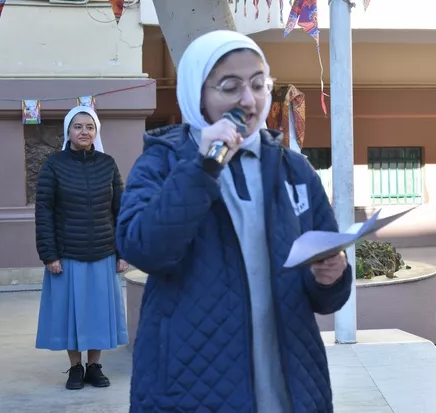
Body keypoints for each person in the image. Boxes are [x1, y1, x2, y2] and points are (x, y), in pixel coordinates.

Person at [116, 31, 352, 413]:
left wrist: (331, 277)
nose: (248, 100)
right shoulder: (164, 161)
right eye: (230, 87)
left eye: (258, 85)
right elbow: (143, 249)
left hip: (290, 382)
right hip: (191, 384)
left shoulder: (294, 169)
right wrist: (202, 167)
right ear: (197, 94)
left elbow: (325, 289)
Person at [35, 106, 129, 390]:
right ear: (68, 131)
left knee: (98, 314)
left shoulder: (108, 164)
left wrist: (123, 251)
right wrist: (49, 254)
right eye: (78, 126)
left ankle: (94, 366)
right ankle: (76, 367)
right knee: (71, 315)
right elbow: (44, 211)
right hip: (67, 254)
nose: (84, 131)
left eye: (90, 127)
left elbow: (120, 209)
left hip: (103, 251)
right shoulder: (53, 165)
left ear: (96, 131)